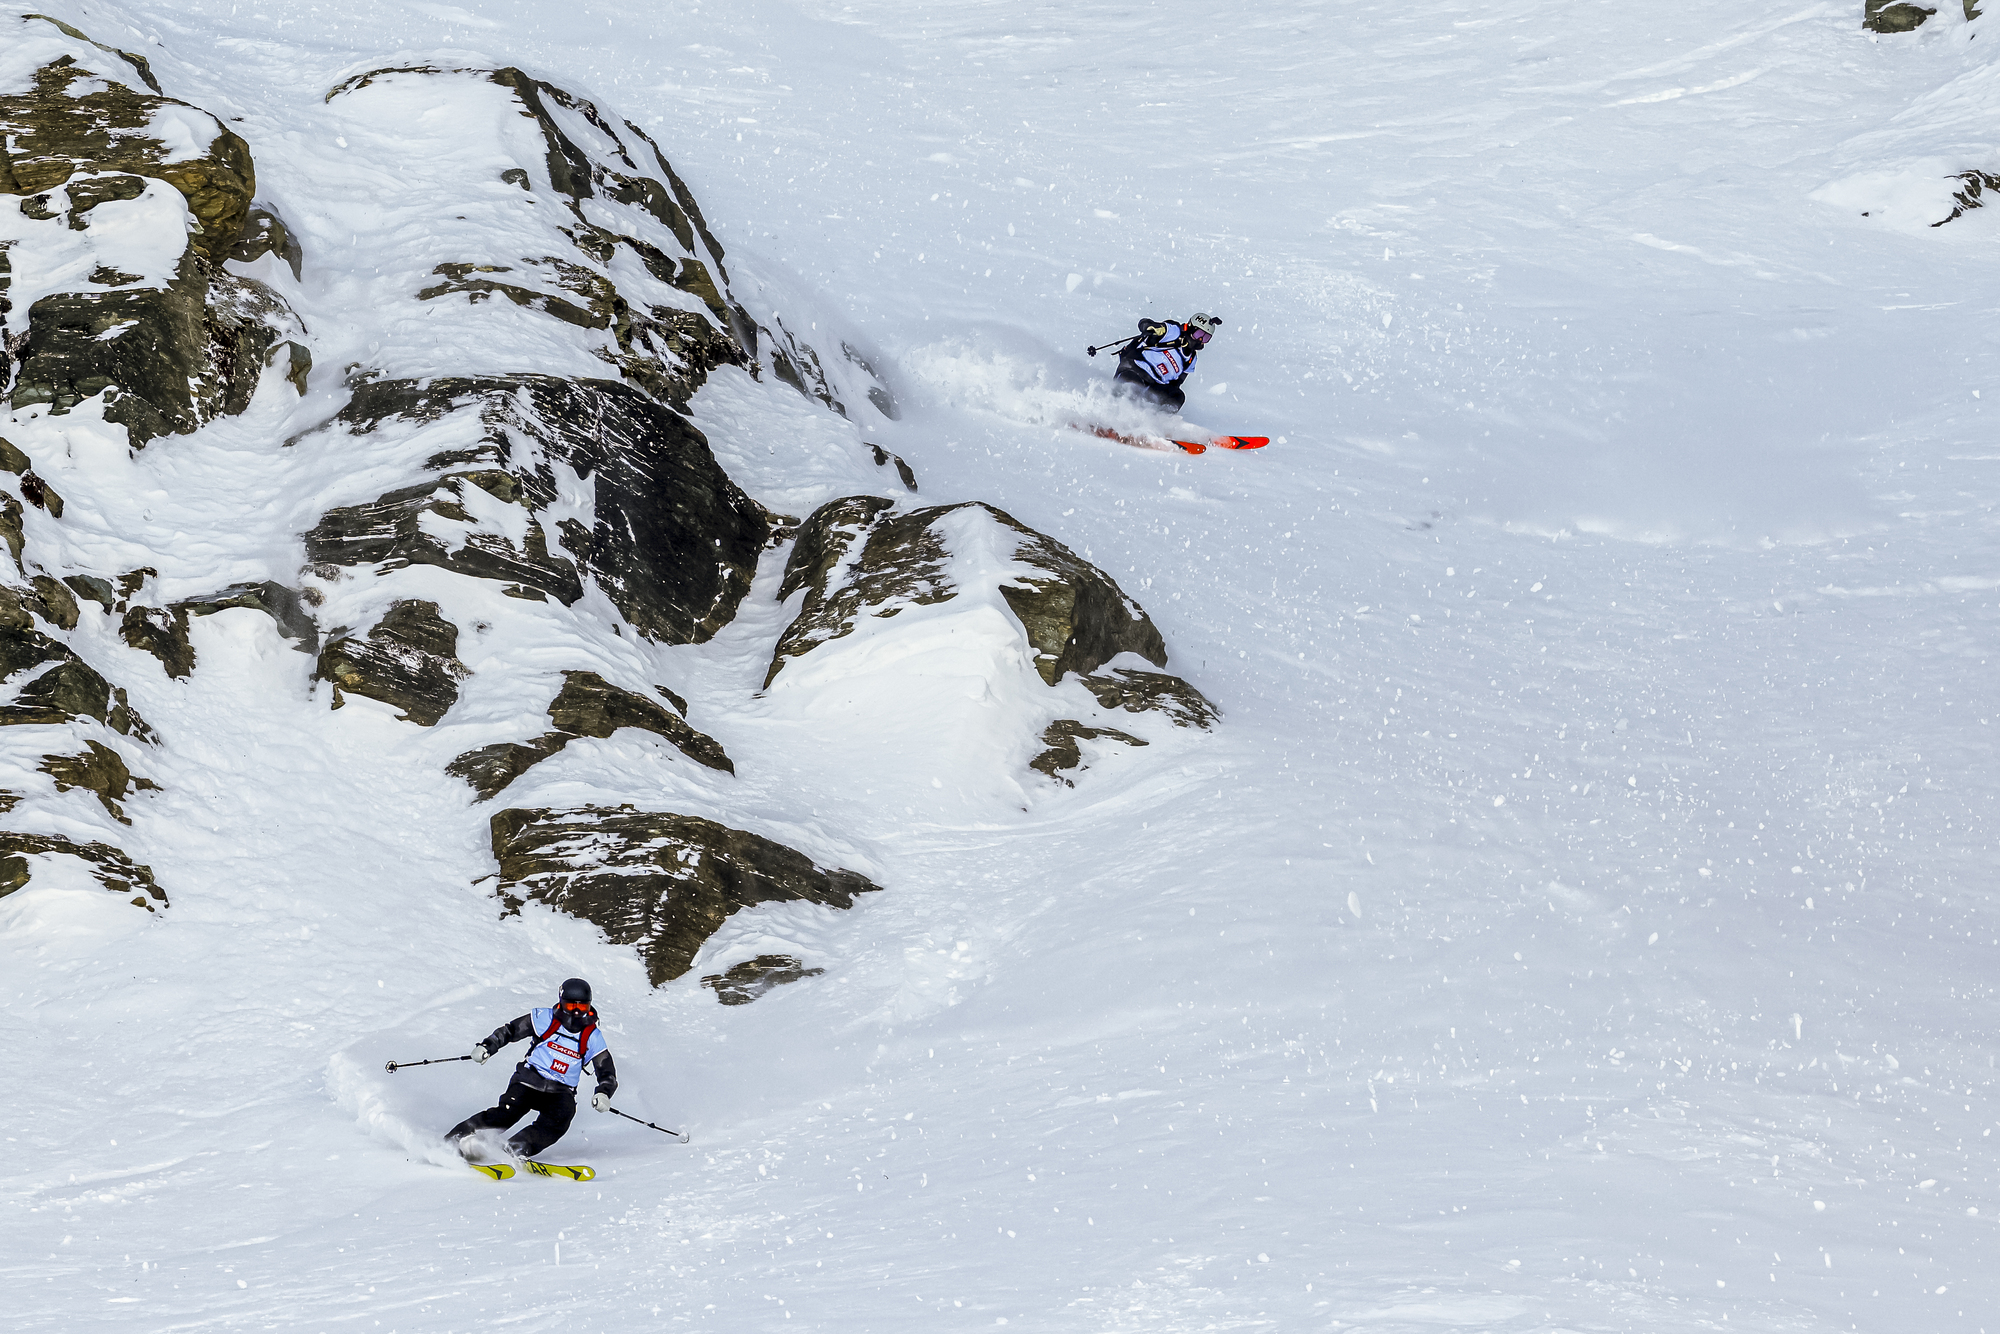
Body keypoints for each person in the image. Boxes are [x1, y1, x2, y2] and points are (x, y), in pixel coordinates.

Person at [446, 977, 616, 1159]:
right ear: (561, 1002)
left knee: (561, 1118)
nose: (575, 1012)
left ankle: (516, 1148)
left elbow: (606, 1071)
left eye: (581, 1008)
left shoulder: (592, 1036)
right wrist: (488, 1046)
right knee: (507, 1113)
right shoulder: (544, 1018)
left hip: (561, 1091)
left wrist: (604, 1092)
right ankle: (456, 1139)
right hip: (529, 1079)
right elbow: (511, 1030)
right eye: (571, 1006)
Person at [1113, 312, 1221, 413]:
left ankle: (1158, 422)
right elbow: (1145, 323)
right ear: (1190, 327)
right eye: (1199, 334)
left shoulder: (1191, 359)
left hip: (1154, 385)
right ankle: (1116, 414)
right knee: (1133, 388)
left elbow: (1176, 384)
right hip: (1135, 369)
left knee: (1178, 397)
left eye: (1206, 337)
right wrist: (1151, 327)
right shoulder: (1174, 332)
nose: (1200, 340)